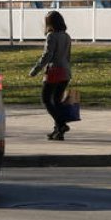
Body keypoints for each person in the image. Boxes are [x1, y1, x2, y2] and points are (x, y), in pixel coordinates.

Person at [28, 10, 73, 140]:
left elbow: (47, 55)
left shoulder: (51, 36)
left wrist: (35, 70)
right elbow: (68, 56)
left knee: (46, 99)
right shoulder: (66, 36)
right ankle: (58, 131)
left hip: (54, 71)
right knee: (57, 102)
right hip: (65, 72)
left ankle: (61, 124)